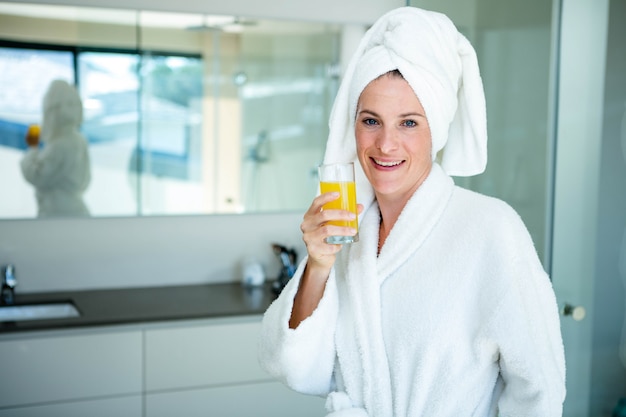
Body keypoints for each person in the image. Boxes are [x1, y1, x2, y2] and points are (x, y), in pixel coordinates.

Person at [258, 6, 566, 417]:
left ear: (435, 129)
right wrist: (317, 265)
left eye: (408, 123)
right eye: (371, 120)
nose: (385, 144)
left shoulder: (491, 229)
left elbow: (539, 392)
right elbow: (295, 368)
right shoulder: (348, 234)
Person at [21, 79, 91, 218]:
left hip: (58, 212)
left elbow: (37, 176)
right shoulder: (78, 140)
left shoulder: (61, 145)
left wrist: (32, 148)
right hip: (73, 210)